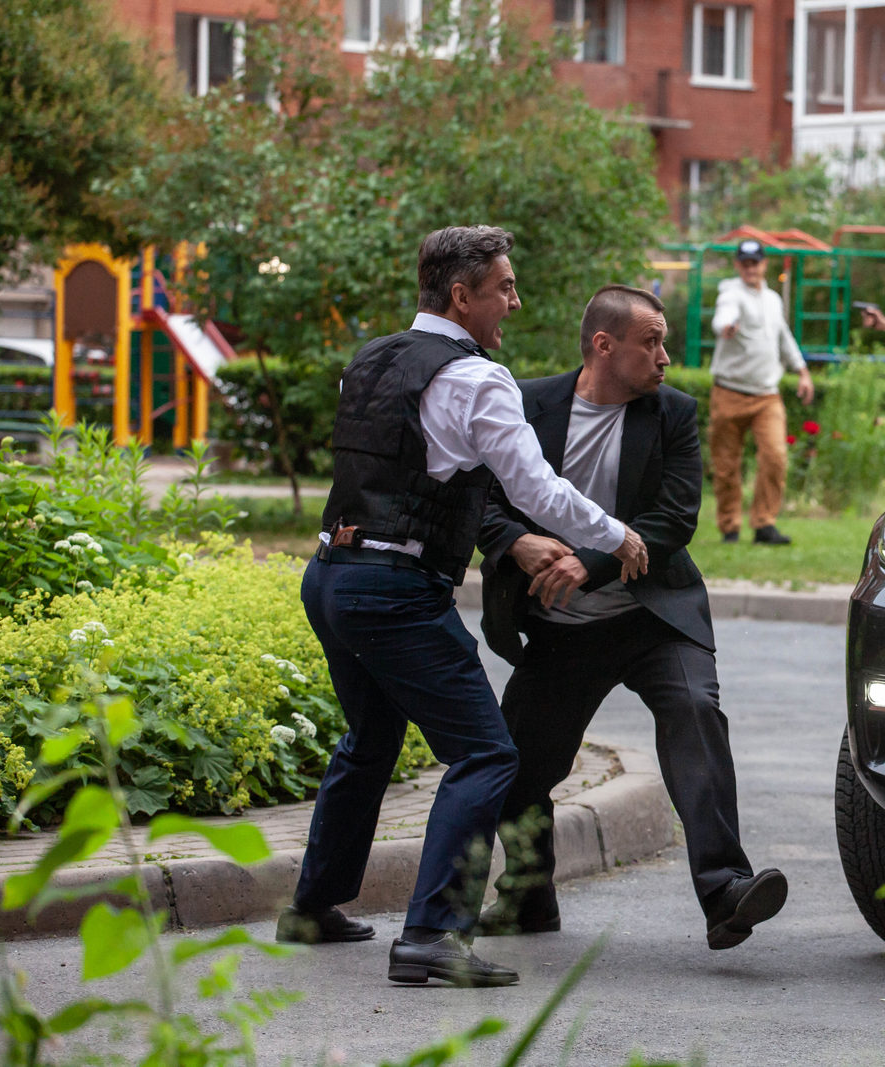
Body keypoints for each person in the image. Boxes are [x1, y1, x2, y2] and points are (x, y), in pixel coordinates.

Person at [277, 226, 649, 989]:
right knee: (485, 753)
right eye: (503, 286)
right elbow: (535, 488)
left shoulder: (371, 359)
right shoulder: (479, 379)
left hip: (330, 575)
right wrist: (616, 534)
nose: (515, 300)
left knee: (370, 738)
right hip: (394, 591)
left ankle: (312, 907)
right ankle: (431, 934)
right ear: (460, 295)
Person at [475, 284, 787, 950]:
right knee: (520, 764)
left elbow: (672, 519)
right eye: (652, 342)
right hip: (561, 627)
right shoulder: (526, 405)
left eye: (663, 342)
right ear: (603, 345)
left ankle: (726, 891)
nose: (665, 356)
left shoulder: (673, 413)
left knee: (695, 712)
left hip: (653, 616)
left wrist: (589, 562)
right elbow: (480, 498)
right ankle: (527, 897)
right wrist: (516, 542)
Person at [708, 238, 814, 546]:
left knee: (775, 457)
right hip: (728, 392)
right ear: (737, 265)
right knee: (726, 465)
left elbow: (783, 336)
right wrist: (726, 326)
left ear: (764, 264)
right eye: (745, 263)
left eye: (755, 262)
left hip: (767, 395)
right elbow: (723, 315)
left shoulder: (773, 300)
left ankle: (764, 524)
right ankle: (730, 527)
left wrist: (802, 370)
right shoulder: (731, 292)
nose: (750, 268)